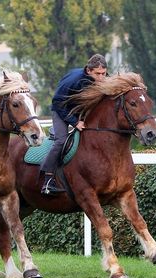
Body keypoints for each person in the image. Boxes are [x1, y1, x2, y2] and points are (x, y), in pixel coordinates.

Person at [40, 54, 108, 195]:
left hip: (79, 109)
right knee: (61, 140)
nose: (101, 78)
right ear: (89, 71)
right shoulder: (73, 80)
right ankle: (47, 179)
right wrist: (75, 122)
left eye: (104, 73)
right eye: (98, 74)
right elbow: (57, 102)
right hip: (61, 110)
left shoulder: (100, 77)